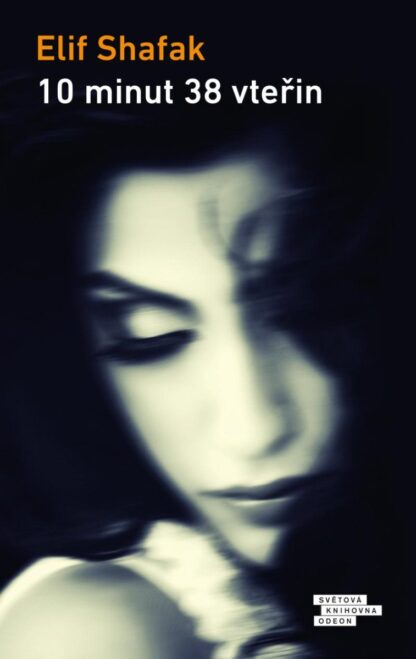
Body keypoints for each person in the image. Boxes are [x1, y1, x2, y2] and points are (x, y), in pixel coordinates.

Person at [0, 96, 404, 657]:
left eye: (308, 309)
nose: (254, 430)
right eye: (149, 336)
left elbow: (353, 613)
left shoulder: (346, 593)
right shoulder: (94, 632)